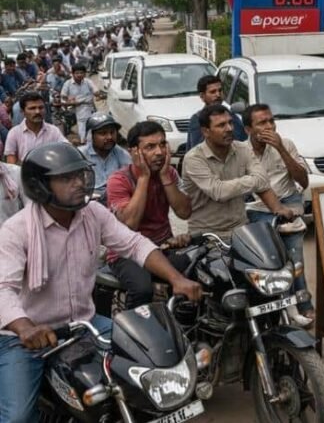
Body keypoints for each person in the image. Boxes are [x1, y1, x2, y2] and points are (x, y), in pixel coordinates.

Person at [0, 143, 200, 421]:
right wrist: (24, 328)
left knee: (147, 365)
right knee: (18, 417)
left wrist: (177, 278)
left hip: (86, 324)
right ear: (40, 186)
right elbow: (2, 289)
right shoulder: (16, 231)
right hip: (26, 338)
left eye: (80, 175)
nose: (79, 183)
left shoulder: (93, 214)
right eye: (66, 178)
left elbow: (134, 244)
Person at [105, 121, 193, 309]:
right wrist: (144, 177)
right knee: (142, 289)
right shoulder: (119, 180)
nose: (159, 152)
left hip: (163, 245)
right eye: (150, 147)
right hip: (127, 252)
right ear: (134, 152)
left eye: (162, 144)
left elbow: (184, 212)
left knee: (197, 270)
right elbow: (130, 225)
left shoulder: (168, 173)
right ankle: (134, 333)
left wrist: (165, 177)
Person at [181, 104, 297, 241]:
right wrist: (252, 181)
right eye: (221, 125)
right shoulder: (193, 159)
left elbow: (263, 181)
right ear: (206, 131)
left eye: (230, 123)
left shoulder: (242, 149)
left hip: (241, 230)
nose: (229, 129)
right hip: (206, 235)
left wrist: (278, 209)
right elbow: (218, 192)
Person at [242, 105, 314, 326]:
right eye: (262, 123)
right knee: (271, 260)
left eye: (271, 121)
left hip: (289, 202)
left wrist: (281, 149)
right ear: (248, 129)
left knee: (295, 259)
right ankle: (279, 309)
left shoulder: (286, 144)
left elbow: (303, 181)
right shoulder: (241, 151)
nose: (269, 126)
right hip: (259, 208)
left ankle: (304, 304)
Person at [79, 113, 131, 204]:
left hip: (116, 200)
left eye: (112, 132)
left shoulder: (120, 153)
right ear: (91, 136)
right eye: (103, 133)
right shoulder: (80, 155)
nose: (109, 137)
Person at [186, 75, 247, 151]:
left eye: (220, 90)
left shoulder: (232, 116)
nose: (218, 95)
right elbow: (195, 150)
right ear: (202, 96)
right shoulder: (197, 119)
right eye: (213, 92)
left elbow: (244, 144)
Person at [4, 93, 65, 165]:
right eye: (32, 108)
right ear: (23, 112)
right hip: (25, 174)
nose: (37, 112)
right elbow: (11, 163)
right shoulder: (14, 133)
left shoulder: (54, 131)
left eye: (41, 107)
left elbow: (65, 148)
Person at [60, 63, 96, 140]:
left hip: (85, 109)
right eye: (77, 73)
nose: (79, 75)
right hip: (71, 110)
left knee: (85, 116)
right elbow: (63, 99)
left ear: (85, 74)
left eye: (81, 73)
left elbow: (96, 92)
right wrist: (73, 102)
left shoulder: (88, 82)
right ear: (72, 74)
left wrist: (78, 101)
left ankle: (85, 139)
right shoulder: (68, 84)